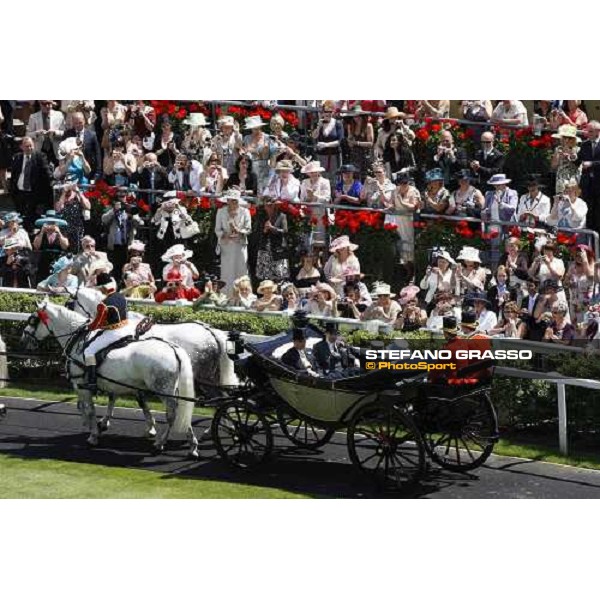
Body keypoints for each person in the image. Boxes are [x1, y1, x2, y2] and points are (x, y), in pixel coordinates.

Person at [79, 273, 135, 392]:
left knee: (89, 351)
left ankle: (92, 382)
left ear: (103, 288)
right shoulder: (121, 296)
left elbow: (97, 324)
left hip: (114, 332)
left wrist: (87, 327)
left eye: (100, 289)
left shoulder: (103, 303)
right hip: (127, 329)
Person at [10, 136, 53, 229]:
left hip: (33, 192)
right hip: (19, 192)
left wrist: (51, 181)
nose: (29, 148)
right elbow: (14, 175)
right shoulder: (17, 157)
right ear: (21, 147)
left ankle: (30, 234)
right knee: (20, 215)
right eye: (27, 146)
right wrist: (12, 190)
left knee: (31, 216)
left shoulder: (40, 156)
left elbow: (46, 172)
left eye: (31, 146)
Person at [215, 189, 252, 295]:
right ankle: (226, 295)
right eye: (231, 200)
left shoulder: (245, 211)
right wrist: (225, 235)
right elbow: (217, 229)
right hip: (226, 245)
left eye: (235, 200)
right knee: (227, 271)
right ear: (227, 201)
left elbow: (248, 229)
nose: (233, 202)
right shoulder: (221, 211)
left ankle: (244, 294)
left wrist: (238, 230)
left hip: (240, 244)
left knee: (241, 270)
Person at [101, 195, 143, 282]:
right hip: (114, 244)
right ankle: (114, 282)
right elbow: (104, 219)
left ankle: (124, 283)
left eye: (124, 196)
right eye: (120, 196)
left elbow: (140, 223)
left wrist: (132, 216)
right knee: (114, 266)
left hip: (126, 245)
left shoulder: (129, 208)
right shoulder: (110, 209)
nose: (122, 199)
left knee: (126, 266)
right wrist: (114, 210)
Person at [255, 197, 289, 282]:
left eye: (270, 206)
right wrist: (265, 230)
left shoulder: (282, 216)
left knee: (278, 275)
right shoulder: (262, 217)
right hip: (265, 249)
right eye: (266, 206)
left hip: (277, 249)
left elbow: (285, 231)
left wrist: (273, 228)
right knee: (265, 276)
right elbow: (257, 232)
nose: (268, 208)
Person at [151, 190, 194, 256]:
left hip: (177, 237)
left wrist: (182, 214)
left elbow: (189, 223)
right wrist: (159, 211)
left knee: (177, 253)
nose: (170, 205)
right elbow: (154, 221)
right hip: (163, 236)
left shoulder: (181, 209)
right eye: (168, 202)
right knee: (163, 253)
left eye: (172, 203)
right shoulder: (160, 210)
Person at [300, 160, 331, 248]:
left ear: (318, 172)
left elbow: (327, 198)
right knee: (307, 240)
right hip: (307, 213)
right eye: (311, 172)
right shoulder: (305, 182)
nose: (313, 174)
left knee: (320, 241)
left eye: (315, 172)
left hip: (320, 214)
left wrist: (314, 196)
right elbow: (302, 198)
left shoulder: (325, 181)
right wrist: (308, 198)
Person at [312, 100, 344, 186]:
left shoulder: (337, 123)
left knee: (334, 177)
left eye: (330, 111)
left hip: (334, 155)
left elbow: (340, 141)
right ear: (322, 112)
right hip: (321, 155)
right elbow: (314, 136)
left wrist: (326, 145)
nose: (328, 114)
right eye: (326, 111)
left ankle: (334, 196)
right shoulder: (319, 122)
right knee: (322, 177)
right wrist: (319, 127)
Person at [32, 210, 70, 283]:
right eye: (48, 223)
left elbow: (65, 247)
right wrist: (42, 232)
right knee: (42, 281)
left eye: (52, 223)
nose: (50, 225)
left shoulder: (62, 233)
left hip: (58, 260)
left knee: (57, 281)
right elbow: (36, 246)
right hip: (44, 261)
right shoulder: (40, 233)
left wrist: (58, 232)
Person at [242, 115, 276, 194]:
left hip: (264, 167)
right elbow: (244, 152)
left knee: (263, 191)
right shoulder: (247, 138)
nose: (257, 131)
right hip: (250, 168)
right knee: (252, 189)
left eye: (258, 128)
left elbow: (273, 154)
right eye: (254, 129)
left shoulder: (267, 138)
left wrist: (272, 169)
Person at [63, 112, 102, 180]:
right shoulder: (67, 134)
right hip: (73, 171)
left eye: (80, 122)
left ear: (84, 121)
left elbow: (97, 154)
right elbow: (62, 153)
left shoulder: (92, 135)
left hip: (88, 169)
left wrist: (98, 172)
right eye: (75, 123)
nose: (78, 125)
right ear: (72, 122)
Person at [576, 121, 600, 232]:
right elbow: (578, 161)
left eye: (590, 131)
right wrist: (571, 157)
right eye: (587, 131)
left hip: (598, 184)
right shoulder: (585, 144)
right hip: (587, 185)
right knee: (587, 211)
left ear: (597, 132)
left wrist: (592, 164)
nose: (587, 133)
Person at [54, 181, 90, 253]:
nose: (69, 186)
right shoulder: (60, 195)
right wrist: (64, 192)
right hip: (64, 227)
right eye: (67, 183)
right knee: (64, 250)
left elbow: (88, 206)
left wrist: (78, 192)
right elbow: (58, 209)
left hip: (77, 227)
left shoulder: (77, 195)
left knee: (77, 251)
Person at [26, 101, 65, 166]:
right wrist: (37, 133)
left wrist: (55, 132)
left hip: (55, 148)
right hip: (40, 148)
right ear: (40, 104)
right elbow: (28, 135)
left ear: (52, 104)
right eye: (44, 104)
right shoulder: (33, 117)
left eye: (49, 104)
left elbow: (64, 132)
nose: (47, 106)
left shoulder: (59, 115)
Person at [565, 245, 594, 326]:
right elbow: (565, 284)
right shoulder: (572, 266)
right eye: (577, 255)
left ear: (587, 255)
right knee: (574, 327)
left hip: (587, 304)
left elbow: (590, 276)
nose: (578, 257)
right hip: (573, 303)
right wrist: (568, 279)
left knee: (586, 327)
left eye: (580, 255)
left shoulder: (593, 265)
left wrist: (585, 260)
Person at [343, 105, 374, 179]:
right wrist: (350, 141)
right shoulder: (350, 127)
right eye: (354, 116)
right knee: (355, 177)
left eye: (358, 116)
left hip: (366, 155)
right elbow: (350, 144)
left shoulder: (368, 126)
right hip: (354, 156)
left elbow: (370, 144)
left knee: (366, 177)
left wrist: (356, 143)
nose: (357, 118)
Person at [551, 124, 581, 194]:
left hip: (573, 180)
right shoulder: (558, 149)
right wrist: (558, 157)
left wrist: (569, 156)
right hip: (560, 180)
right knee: (560, 201)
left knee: (573, 200)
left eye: (563, 138)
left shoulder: (578, 150)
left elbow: (578, 165)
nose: (560, 140)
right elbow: (553, 166)